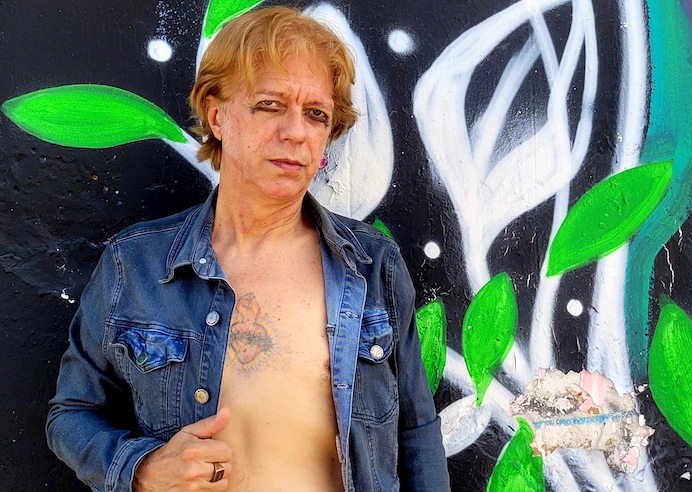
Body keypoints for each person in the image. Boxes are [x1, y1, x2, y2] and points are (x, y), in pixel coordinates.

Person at [45, 6, 450, 491]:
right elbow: (72, 414)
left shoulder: (373, 265)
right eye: (270, 105)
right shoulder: (135, 266)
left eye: (316, 114)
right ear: (217, 116)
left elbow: (417, 434)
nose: (296, 132)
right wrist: (144, 468)